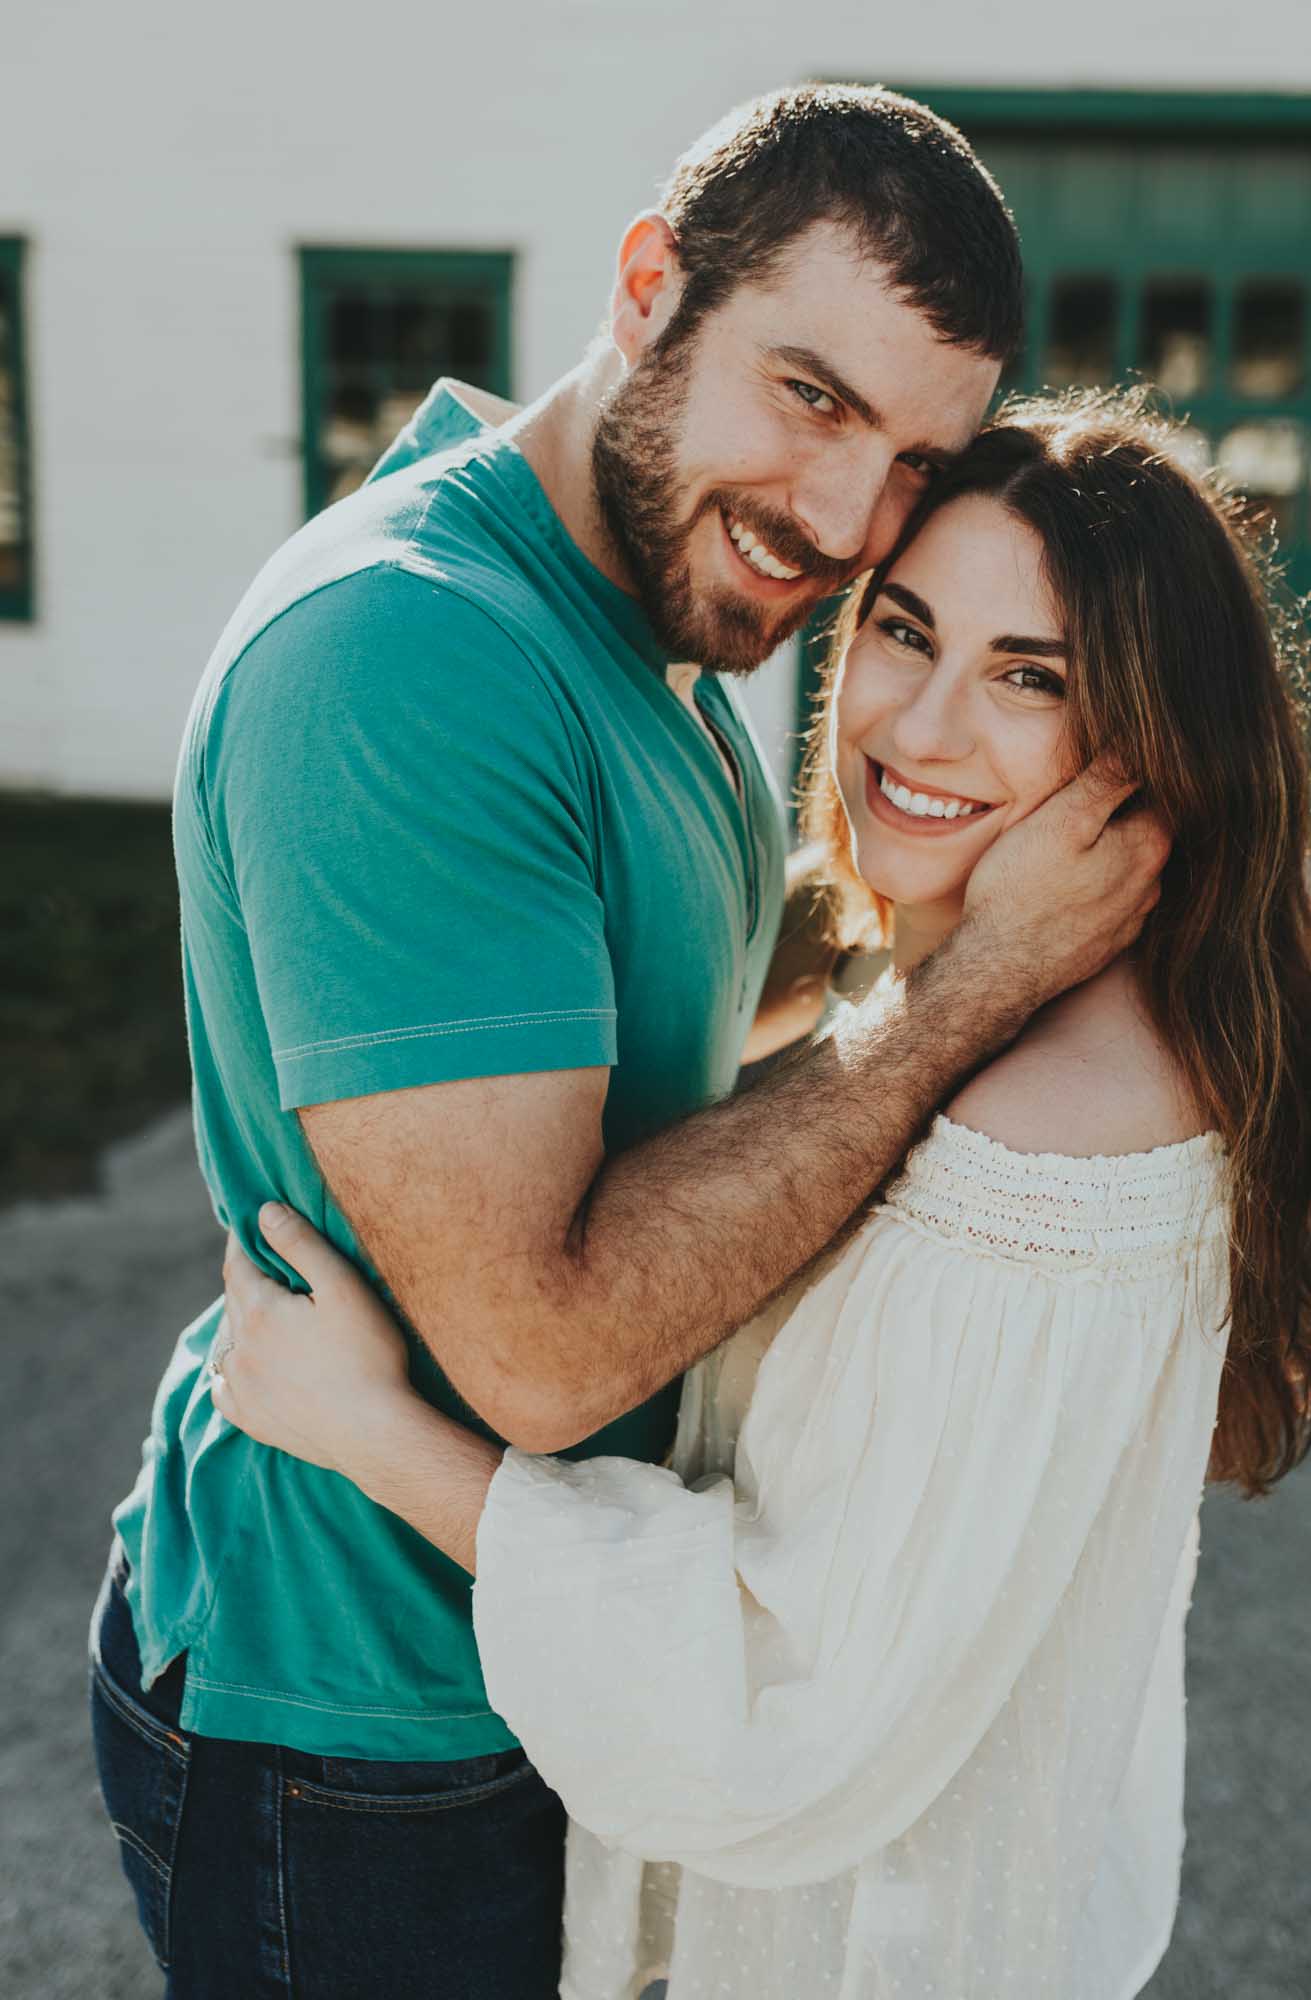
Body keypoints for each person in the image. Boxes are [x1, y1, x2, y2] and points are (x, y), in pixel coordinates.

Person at [88, 86, 1169, 1999]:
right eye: (811, 396)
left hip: (537, 1666)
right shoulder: (415, 658)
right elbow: (536, 1346)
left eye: (913, 456)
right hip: (365, 1711)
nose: (846, 521)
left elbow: (652, 1004)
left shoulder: (641, 617)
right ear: (649, 286)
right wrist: (969, 996)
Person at [209, 388, 1311, 2000]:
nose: (921, 727)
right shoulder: (1002, 996)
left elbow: (785, 1689)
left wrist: (375, 1433)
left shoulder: (1048, 1147)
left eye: (1028, 678)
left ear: (1147, 748)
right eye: (905, 632)